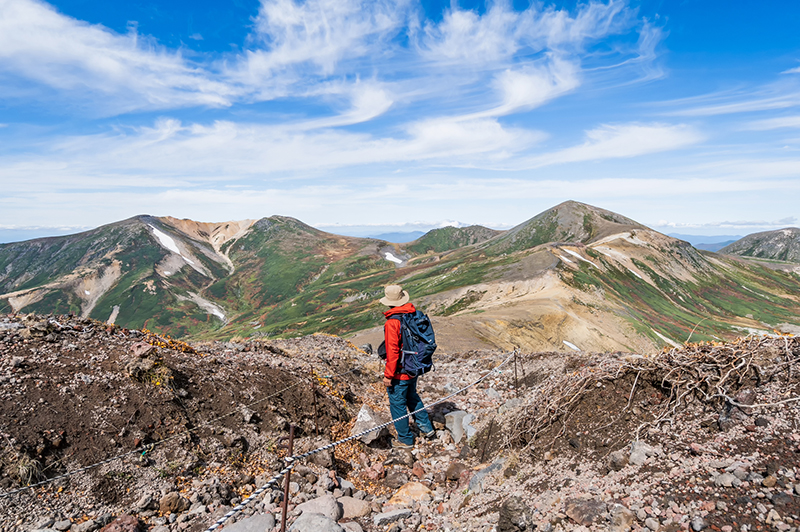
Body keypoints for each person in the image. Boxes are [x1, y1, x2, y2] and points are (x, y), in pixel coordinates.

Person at [379, 284, 436, 449]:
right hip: (414, 366)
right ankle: (428, 430)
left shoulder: (392, 322)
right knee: (412, 397)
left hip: (400, 372)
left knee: (397, 404)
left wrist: (388, 375)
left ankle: (405, 440)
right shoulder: (413, 315)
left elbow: (393, 352)